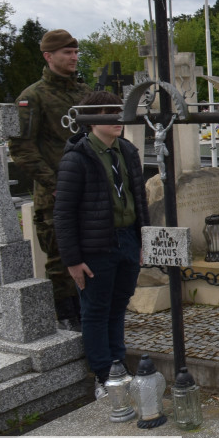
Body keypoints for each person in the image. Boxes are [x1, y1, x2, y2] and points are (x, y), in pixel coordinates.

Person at [54, 91, 148, 399]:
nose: (118, 119)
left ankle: (119, 366)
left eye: (120, 112)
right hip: (96, 246)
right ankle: (104, 375)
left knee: (118, 308)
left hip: (127, 240)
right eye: (110, 113)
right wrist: (72, 259)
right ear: (93, 119)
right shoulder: (78, 158)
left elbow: (139, 199)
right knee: (95, 310)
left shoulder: (128, 152)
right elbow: (64, 212)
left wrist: (142, 239)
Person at [9, 28, 91, 330]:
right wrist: (56, 184)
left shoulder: (83, 93)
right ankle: (68, 319)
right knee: (61, 259)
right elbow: (21, 148)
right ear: (48, 56)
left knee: (93, 254)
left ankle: (92, 314)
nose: (73, 57)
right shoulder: (33, 97)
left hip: (90, 191)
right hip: (55, 194)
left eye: (75, 52)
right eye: (66, 53)